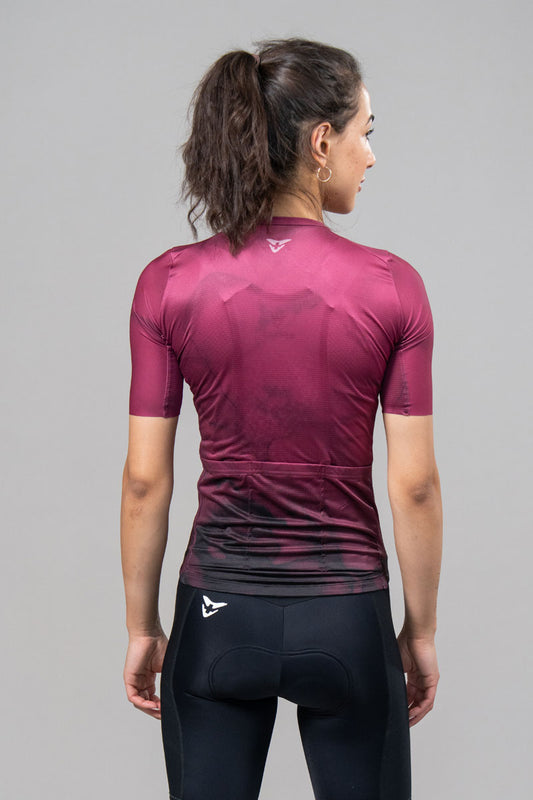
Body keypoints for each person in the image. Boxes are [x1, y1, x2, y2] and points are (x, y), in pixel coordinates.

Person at [121, 36, 442, 800]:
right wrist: (420, 630)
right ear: (321, 142)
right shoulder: (391, 286)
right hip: (347, 617)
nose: (370, 155)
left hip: (215, 614)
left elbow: (143, 481)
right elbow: (414, 486)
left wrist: (142, 627)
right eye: (364, 132)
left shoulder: (168, 283)